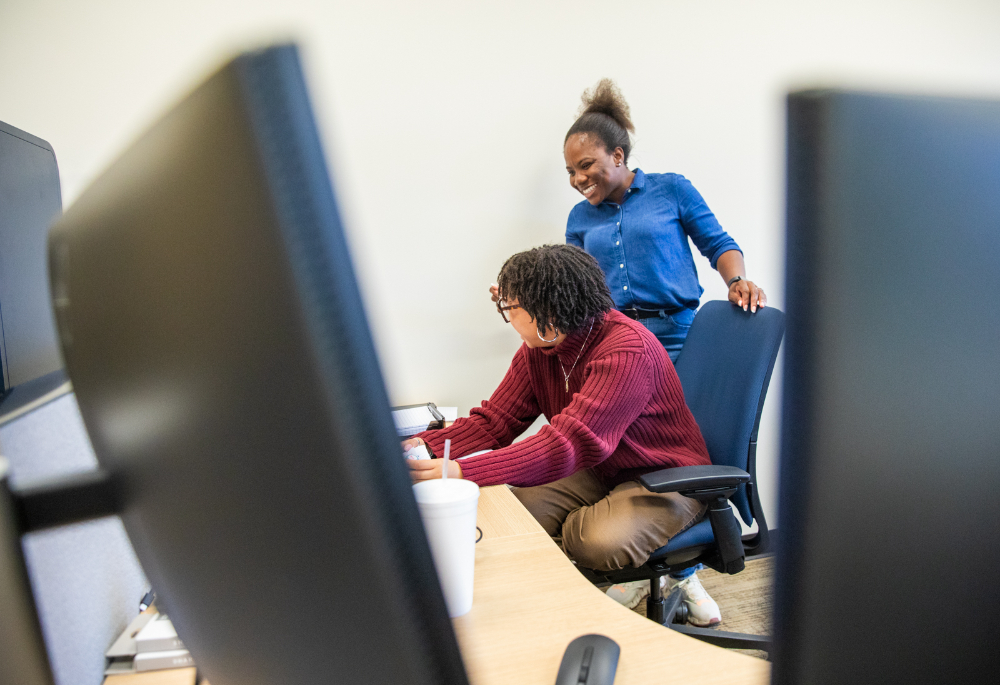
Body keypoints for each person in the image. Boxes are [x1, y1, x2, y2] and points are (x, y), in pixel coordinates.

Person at [406, 244, 722, 627]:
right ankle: (616, 559)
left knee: (592, 541)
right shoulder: (541, 348)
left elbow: (568, 444)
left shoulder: (626, 351)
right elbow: (496, 420)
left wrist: (462, 471)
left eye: (510, 307)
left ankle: (651, 571)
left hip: (667, 477)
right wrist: (425, 445)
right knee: (511, 517)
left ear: (546, 313)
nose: (507, 316)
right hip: (604, 467)